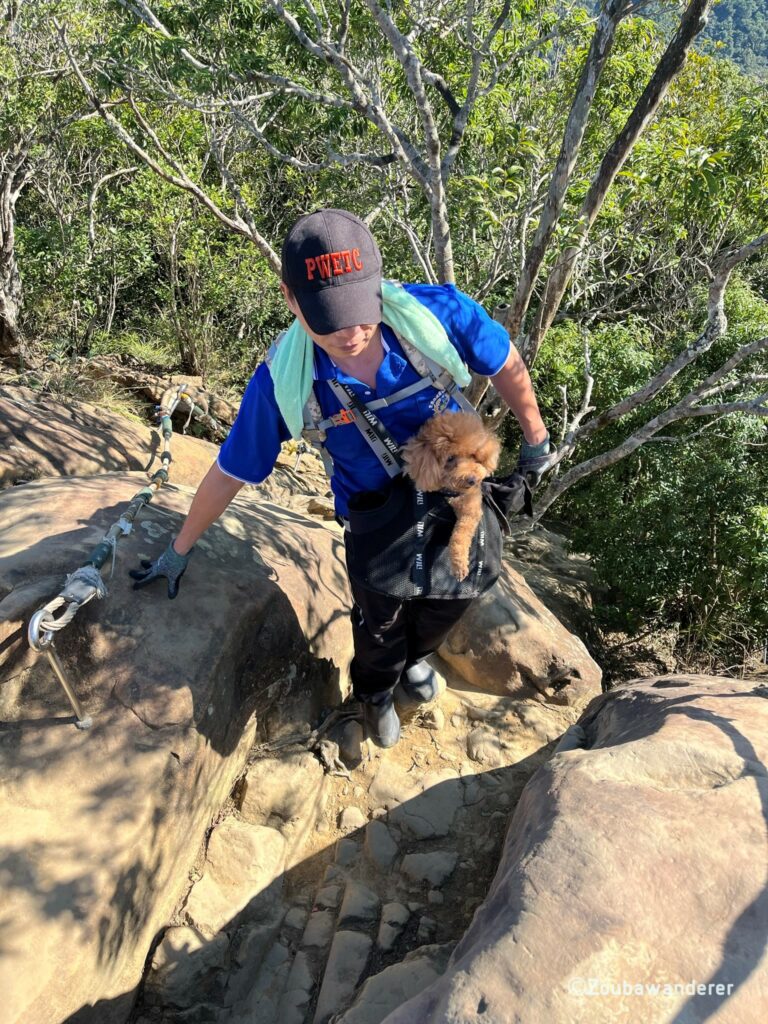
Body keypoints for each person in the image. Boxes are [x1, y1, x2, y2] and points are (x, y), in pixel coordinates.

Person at [131, 209, 551, 748]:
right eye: (327, 319)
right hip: (372, 511)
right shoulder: (285, 379)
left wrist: (536, 442)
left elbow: (505, 364)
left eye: (359, 312)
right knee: (380, 619)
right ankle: (376, 693)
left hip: (450, 491)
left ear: (377, 282)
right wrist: (179, 547)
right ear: (290, 299)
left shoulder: (436, 315)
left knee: (456, 592)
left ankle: (416, 659)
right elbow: (232, 468)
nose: (349, 333)